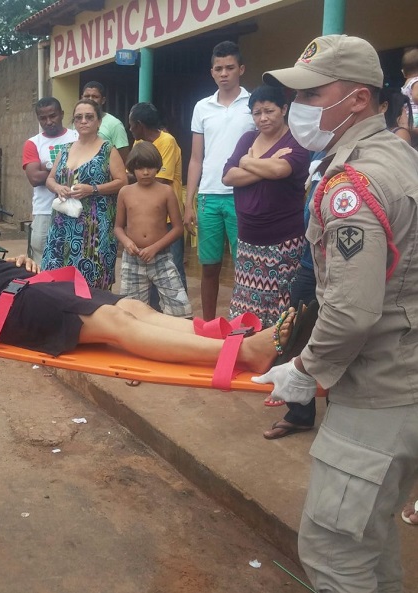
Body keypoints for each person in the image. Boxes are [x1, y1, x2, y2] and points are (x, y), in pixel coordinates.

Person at [254, 34, 418, 592]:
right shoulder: (398, 156)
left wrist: (305, 371)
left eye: (312, 94)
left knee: (334, 554)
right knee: (372, 545)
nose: (297, 107)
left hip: (378, 392)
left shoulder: (353, 184)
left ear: (358, 99)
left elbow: (350, 312)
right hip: (403, 382)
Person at [0, 247, 292, 374]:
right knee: (114, 322)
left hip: (21, 283)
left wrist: (14, 261)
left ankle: (229, 334)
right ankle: (245, 354)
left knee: (132, 306)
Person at [222, 84, 310, 329]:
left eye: (269, 111)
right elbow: (228, 176)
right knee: (245, 313)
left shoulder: (297, 141)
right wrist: (266, 164)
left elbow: (281, 170)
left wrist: (247, 161)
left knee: (280, 314)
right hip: (248, 244)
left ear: (284, 109)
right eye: (257, 112)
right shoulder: (248, 139)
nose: (263, 118)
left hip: (283, 244)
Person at [184, 41, 256, 320]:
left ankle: (243, 323)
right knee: (209, 265)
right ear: (212, 72)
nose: (224, 73)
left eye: (230, 67)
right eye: (218, 69)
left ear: (241, 69)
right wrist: (189, 202)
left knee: (245, 266)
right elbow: (196, 158)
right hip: (209, 196)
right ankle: (209, 325)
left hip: (243, 194)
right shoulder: (202, 107)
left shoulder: (253, 104)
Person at [262, 151, 324, 438]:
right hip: (310, 262)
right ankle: (300, 412)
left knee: (344, 334)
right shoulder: (319, 153)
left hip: (340, 265)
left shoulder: (360, 153)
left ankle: (340, 411)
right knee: (296, 331)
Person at [43, 99, 127, 290]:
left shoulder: (108, 150)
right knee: (56, 279)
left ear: (99, 121)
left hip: (94, 227)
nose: (83, 121)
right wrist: (58, 188)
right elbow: (50, 179)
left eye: (89, 117)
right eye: (78, 117)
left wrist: (93, 189)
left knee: (91, 282)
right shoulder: (65, 149)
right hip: (62, 224)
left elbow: (122, 182)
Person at [115, 142, 191, 318]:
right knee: (130, 312)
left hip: (161, 257)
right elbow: (118, 227)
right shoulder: (125, 192)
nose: (145, 172)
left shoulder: (166, 191)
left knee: (180, 309)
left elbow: (178, 228)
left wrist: (154, 248)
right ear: (132, 169)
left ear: (157, 167)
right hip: (133, 259)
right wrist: (127, 242)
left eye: (149, 167)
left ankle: (176, 334)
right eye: (140, 168)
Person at [128, 102, 187, 292]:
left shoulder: (167, 141)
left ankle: (177, 309)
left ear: (139, 125)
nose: (130, 129)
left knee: (172, 269)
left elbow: (160, 179)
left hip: (167, 216)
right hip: (146, 215)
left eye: (131, 125)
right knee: (150, 270)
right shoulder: (139, 143)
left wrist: (130, 176)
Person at [22, 97, 78, 259]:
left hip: (77, 208)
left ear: (62, 114)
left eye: (52, 116)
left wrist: (47, 169)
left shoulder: (77, 137)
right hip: (45, 211)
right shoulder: (33, 143)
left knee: (72, 256)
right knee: (41, 258)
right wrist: (69, 171)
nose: (48, 122)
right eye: (43, 118)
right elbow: (34, 178)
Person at [81, 82, 130, 162]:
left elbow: (124, 158)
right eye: (87, 96)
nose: (90, 99)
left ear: (103, 100)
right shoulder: (77, 122)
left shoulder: (114, 124)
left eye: (95, 97)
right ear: (82, 98)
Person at [400, 46, 418, 146]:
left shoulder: (407, 83)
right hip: (416, 115)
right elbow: (416, 97)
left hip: (409, 116)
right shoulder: (416, 81)